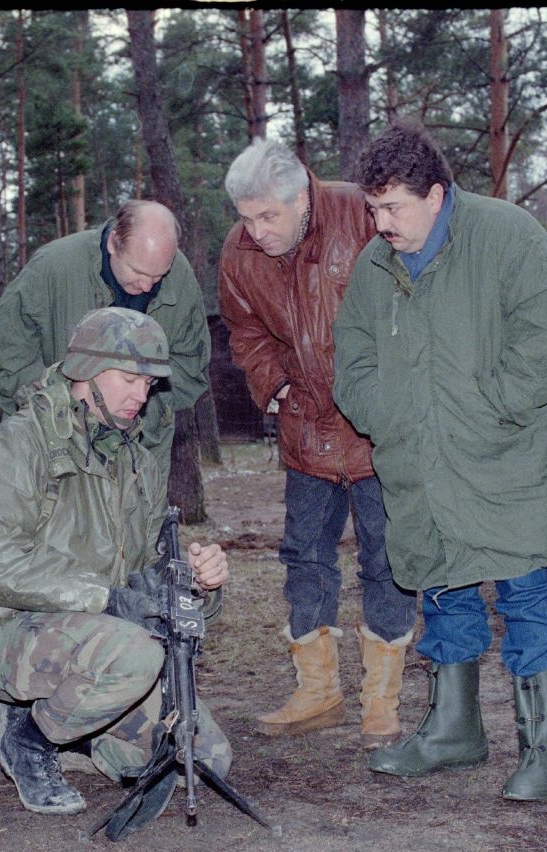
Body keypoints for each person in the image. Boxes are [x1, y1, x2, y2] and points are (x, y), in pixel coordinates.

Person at [331, 123, 547, 801]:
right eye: (372, 208)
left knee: (528, 595)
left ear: (437, 194)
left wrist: (499, 401)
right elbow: (352, 356)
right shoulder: (374, 268)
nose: (378, 223)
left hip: (514, 459)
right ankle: (454, 729)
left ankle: (541, 750)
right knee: (444, 587)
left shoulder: (507, 236)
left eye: (392, 208)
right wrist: (385, 411)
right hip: (423, 465)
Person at [0, 307, 232, 818]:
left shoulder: (134, 460)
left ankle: (77, 729)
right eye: (130, 379)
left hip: (100, 639)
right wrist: (103, 597)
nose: (141, 395)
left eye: (148, 383)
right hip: (5, 633)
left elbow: (143, 569)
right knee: (135, 656)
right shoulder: (18, 444)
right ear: (85, 371)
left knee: (205, 757)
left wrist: (196, 580)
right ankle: (28, 741)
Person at [218, 138, 417, 746]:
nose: (256, 231)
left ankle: (380, 703)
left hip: (375, 428)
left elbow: (413, 302)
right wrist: (273, 386)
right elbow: (243, 328)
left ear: (301, 196)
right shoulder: (239, 252)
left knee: (386, 558)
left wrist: (392, 391)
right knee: (304, 556)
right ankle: (317, 692)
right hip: (304, 425)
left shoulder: (361, 215)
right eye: (246, 218)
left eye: (268, 216)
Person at [0, 199, 211, 473]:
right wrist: (58, 409)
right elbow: (7, 354)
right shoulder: (54, 267)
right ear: (114, 242)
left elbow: (191, 365)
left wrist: (140, 410)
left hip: (140, 456)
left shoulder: (179, 275)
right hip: (56, 453)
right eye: (138, 271)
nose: (147, 285)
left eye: (158, 276)